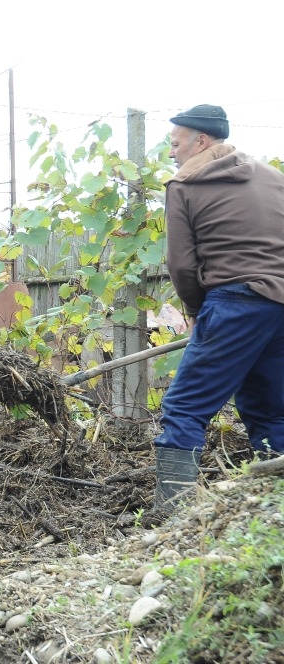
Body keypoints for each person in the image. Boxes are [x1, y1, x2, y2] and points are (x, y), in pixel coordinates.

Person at [155, 104, 284, 509]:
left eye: (176, 144)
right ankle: (274, 506)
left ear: (201, 141)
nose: (172, 153)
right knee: (271, 410)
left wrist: (196, 313)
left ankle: (172, 515)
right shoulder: (274, 179)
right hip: (280, 302)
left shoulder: (185, 184)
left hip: (235, 302)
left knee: (184, 407)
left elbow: (181, 263)